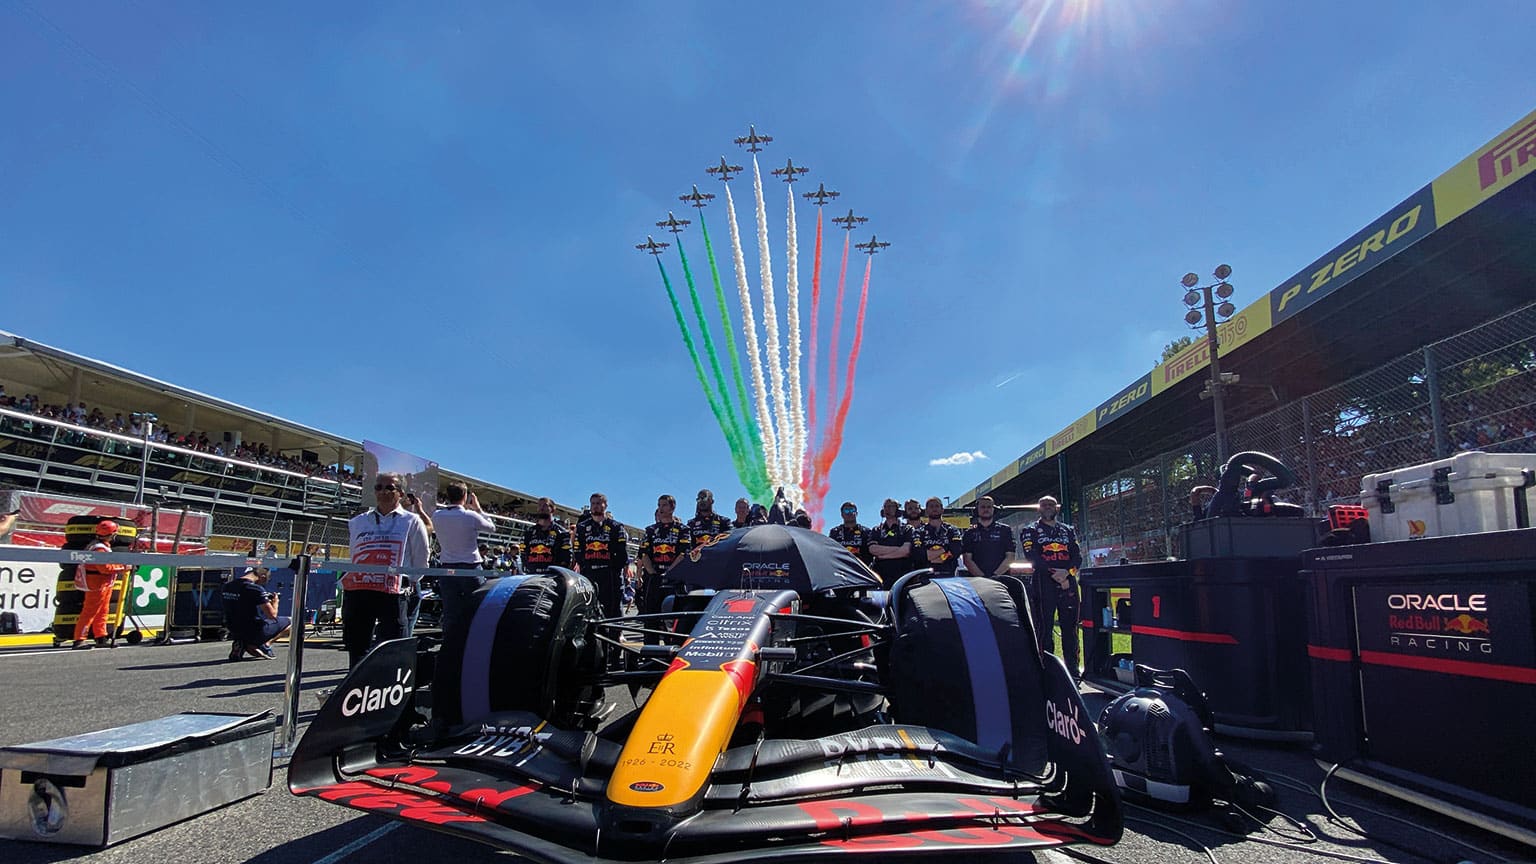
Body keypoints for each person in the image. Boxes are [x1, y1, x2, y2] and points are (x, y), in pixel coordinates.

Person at [344, 472, 431, 667]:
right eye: (379, 487)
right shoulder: (358, 522)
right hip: (361, 589)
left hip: (394, 592)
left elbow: (421, 556)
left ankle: (389, 681)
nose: (383, 491)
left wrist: (411, 581)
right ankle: (356, 680)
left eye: (390, 487)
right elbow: (354, 553)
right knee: (357, 645)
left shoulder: (412, 521)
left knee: (392, 644)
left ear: (401, 493)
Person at [1020, 495, 1084, 675]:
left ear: (1057, 508)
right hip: (1044, 582)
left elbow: (1077, 556)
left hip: (1068, 581)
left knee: (1071, 627)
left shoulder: (1068, 530)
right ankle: (1047, 668)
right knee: (1044, 627)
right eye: (1044, 505)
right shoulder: (1030, 530)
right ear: (1038, 508)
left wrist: (1067, 574)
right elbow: (1032, 557)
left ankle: (1072, 670)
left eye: (1051, 504)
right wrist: (1055, 574)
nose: (1047, 507)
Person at [431, 481, 496, 642]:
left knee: (450, 610)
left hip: (447, 567)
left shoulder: (437, 515)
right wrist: (478, 509)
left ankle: (449, 643)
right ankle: (475, 642)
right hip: (470, 567)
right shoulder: (471, 516)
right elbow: (492, 528)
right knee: (477, 607)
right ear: (465, 496)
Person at [72, 520, 129, 649]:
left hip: (102, 583)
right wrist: (123, 567)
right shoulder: (99, 549)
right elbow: (105, 568)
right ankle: (79, 639)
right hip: (97, 584)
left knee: (103, 611)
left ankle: (101, 637)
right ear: (112, 534)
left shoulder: (100, 546)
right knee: (90, 612)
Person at [575, 492, 628, 618]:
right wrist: (584, 565)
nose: (595, 506)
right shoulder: (582, 527)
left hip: (610, 575)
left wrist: (614, 568)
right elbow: (577, 550)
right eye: (593, 503)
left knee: (612, 611)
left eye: (598, 503)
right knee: (588, 608)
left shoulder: (616, 527)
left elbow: (622, 553)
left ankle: (614, 629)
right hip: (589, 574)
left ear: (605, 505)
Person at [222, 565, 291, 660]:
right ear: (262, 576)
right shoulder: (255, 589)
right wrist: (275, 602)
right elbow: (272, 616)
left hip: (233, 628)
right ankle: (266, 644)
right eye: (267, 580)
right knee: (292, 622)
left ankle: (242, 642)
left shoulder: (228, 586)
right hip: (253, 629)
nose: (265, 583)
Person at [639, 494, 691, 616]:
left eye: (664, 505)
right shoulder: (650, 530)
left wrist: (668, 572)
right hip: (654, 576)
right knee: (651, 614)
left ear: (672, 508)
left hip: (674, 577)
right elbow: (643, 553)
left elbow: (683, 553)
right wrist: (652, 573)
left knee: (674, 614)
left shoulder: (683, 529)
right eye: (659, 505)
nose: (661, 508)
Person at [961, 496, 1016, 578]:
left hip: (1001, 578)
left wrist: (995, 576)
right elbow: (967, 560)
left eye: (989, 507)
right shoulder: (969, 533)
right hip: (977, 580)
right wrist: (983, 578)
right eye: (983, 507)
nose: (986, 509)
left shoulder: (1005, 530)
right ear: (977, 510)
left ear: (993, 509)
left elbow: (1010, 556)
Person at [867, 498, 914, 585]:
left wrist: (883, 556)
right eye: (885, 507)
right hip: (881, 576)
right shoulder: (876, 530)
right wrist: (898, 549)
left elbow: (906, 551)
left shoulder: (907, 528)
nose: (887, 509)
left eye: (890, 506)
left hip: (902, 575)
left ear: (898, 510)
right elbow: (873, 549)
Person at [913, 496, 963, 575]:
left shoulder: (952, 530)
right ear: (926, 511)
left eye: (937, 506)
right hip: (926, 576)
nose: (934, 508)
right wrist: (946, 549)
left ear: (942, 509)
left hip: (949, 575)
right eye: (931, 506)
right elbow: (919, 555)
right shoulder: (918, 531)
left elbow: (956, 550)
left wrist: (933, 557)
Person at [522, 497, 572, 574]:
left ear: (552, 509)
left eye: (545, 505)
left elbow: (567, 558)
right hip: (531, 575)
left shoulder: (562, 533)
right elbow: (523, 553)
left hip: (551, 576)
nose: (541, 508)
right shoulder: (529, 532)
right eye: (539, 505)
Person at [902, 498, 927, 574]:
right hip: (905, 570)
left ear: (920, 510)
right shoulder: (900, 530)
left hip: (925, 569)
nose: (913, 511)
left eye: (916, 508)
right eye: (910, 508)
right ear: (905, 511)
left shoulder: (928, 528)